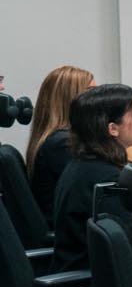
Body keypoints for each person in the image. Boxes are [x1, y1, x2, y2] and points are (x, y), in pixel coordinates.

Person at [49, 83, 132, 276]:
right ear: (113, 128)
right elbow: (129, 251)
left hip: (88, 280)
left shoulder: (84, 164)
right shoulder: (108, 180)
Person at [26, 64, 93, 217]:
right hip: (68, 227)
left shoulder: (58, 139)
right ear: (71, 99)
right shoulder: (62, 143)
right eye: (91, 93)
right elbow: (90, 187)